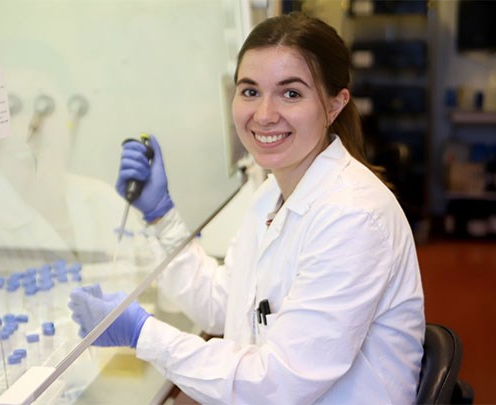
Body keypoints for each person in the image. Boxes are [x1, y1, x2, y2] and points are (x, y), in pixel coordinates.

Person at [69, 12, 425, 404]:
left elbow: (277, 384)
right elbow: (225, 306)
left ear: (334, 105)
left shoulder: (354, 217)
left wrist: (142, 334)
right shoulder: (271, 194)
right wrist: (160, 216)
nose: (264, 114)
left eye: (291, 93)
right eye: (250, 91)